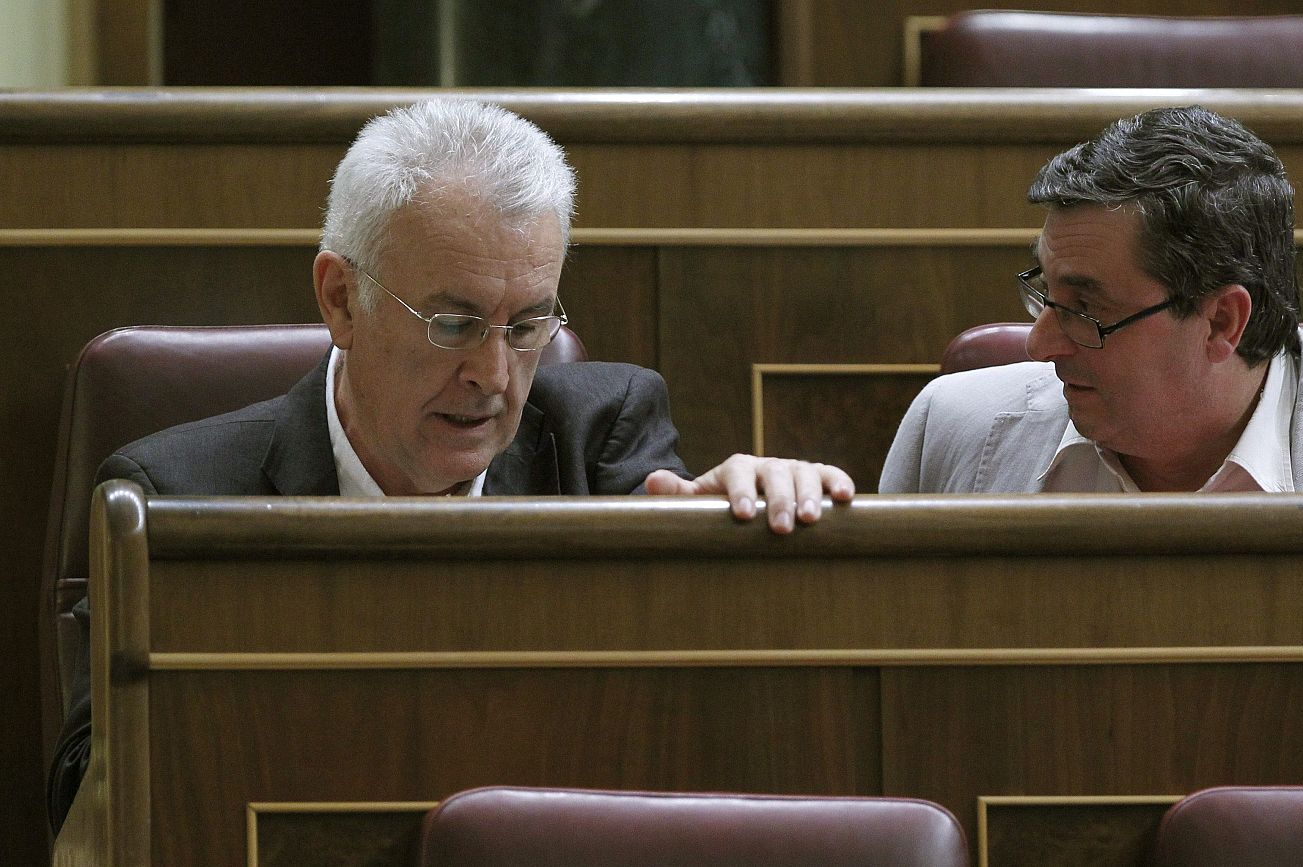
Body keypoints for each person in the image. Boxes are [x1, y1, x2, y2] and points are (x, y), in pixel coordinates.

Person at [48, 98, 853, 832]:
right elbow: (90, 803)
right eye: (455, 324)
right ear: (341, 299)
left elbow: (685, 736)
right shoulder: (173, 497)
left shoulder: (599, 441)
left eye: (526, 325)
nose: (493, 376)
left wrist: (740, 554)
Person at [881, 105, 1303, 494]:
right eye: (1044, 293)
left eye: (1085, 309)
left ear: (1222, 321)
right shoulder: (948, 431)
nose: (1039, 343)